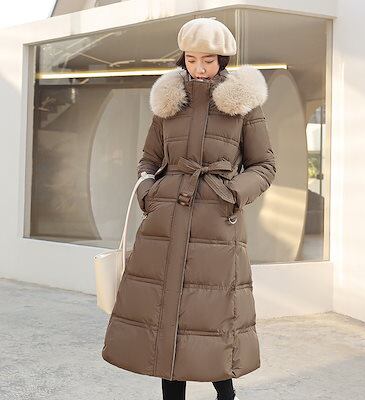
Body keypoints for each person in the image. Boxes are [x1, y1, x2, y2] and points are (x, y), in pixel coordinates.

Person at [101, 17, 276, 400]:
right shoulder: (169, 101)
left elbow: (264, 166)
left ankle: (225, 394)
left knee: (211, 318)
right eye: (191, 59)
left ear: (223, 60)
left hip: (217, 224)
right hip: (166, 221)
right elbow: (149, 158)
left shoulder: (244, 103)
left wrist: (232, 194)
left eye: (208, 60)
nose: (199, 67)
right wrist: (148, 191)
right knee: (165, 315)